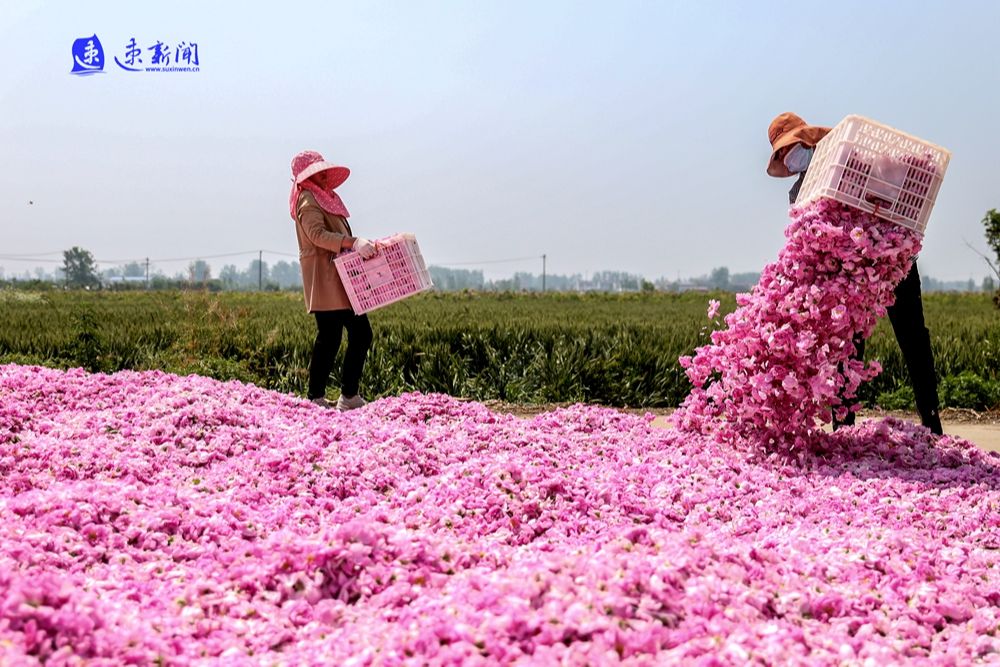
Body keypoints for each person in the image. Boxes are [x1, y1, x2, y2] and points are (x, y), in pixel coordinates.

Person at [766, 112, 943, 435]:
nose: (786, 158)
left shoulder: (849, 158)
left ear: (806, 141)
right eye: (780, 155)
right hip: (848, 277)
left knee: (913, 338)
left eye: (788, 148)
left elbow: (889, 193)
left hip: (891, 262)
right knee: (848, 346)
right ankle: (844, 426)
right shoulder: (798, 194)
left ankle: (932, 421)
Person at [289, 150, 377, 411]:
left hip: (342, 277)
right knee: (330, 336)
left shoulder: (325, 198)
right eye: (318, 172)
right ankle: (317, 396)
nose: (324, 175)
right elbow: (316, 234)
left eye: (323, 170)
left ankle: (348, 395)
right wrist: (351, 243)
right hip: (325, 277)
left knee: (360, 333)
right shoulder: (307, 199)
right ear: (309, 176)